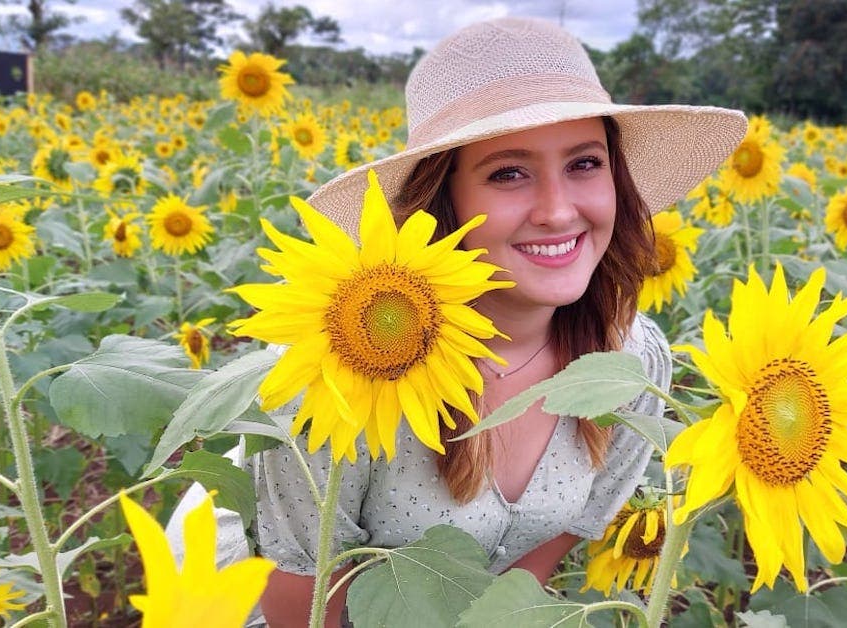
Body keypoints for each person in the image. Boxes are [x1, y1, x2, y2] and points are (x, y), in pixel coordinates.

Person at [169, 15, 746, 627]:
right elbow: (300, 603)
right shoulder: (347, 362)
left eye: (584, 163)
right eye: (508, 173)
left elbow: (532, 571)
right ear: (444, 201)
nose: (557, 211)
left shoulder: (634, 367)